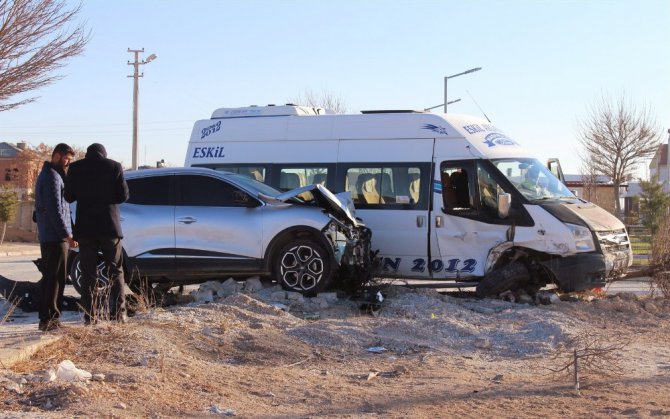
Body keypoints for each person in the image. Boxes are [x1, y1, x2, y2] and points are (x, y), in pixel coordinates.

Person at [64, 143, 129, 324]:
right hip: (109, 227)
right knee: (115, 271)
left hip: (86, 229)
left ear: (87, 154)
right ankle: (118, 314)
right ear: (104, 154)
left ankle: (90, 316)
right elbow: (123, 196)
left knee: (88, 273)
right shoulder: (114, 166)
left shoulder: (75, 168)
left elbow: (68, 197)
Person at [34, 143, 77, 331]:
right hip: (54, 237)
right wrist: (67, 235)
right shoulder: (52, 176)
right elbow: (55, 210)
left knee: (54, 278)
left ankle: (48, 319)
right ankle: (50, 319)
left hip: (54, 236)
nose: (67, 163)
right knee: (55, 279)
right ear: (57, 156)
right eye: (66, 159)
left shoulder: (53, 174)